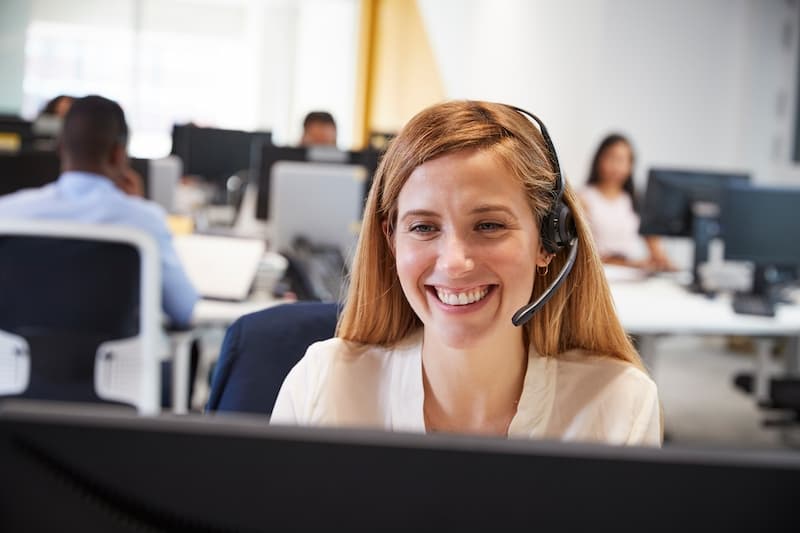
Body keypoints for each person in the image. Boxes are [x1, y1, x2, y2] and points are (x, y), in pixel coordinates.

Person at [271, 101, 661, 446]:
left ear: (548, 240)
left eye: (489, 225)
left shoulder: (617, 406)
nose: (454, 262)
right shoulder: (322, 388)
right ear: (391, 241)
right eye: (424, 227)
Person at [0, 95, 198, 326]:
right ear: (119, 154)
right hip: (116, 362)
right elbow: (183, 308)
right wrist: (138, 208)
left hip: (16, 361)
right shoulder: (144, 221)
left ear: (60, 147)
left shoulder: (7, 215)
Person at [579, 134, 674, 271]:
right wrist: (632, 264)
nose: (616, 166)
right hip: (602, 273)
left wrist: (662, 261)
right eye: (612, 158)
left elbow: (657, 251)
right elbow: (586, 254)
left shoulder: (635, 201)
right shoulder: (584, 198)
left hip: (633, 274)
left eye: (623, 160)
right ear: (599, 159)